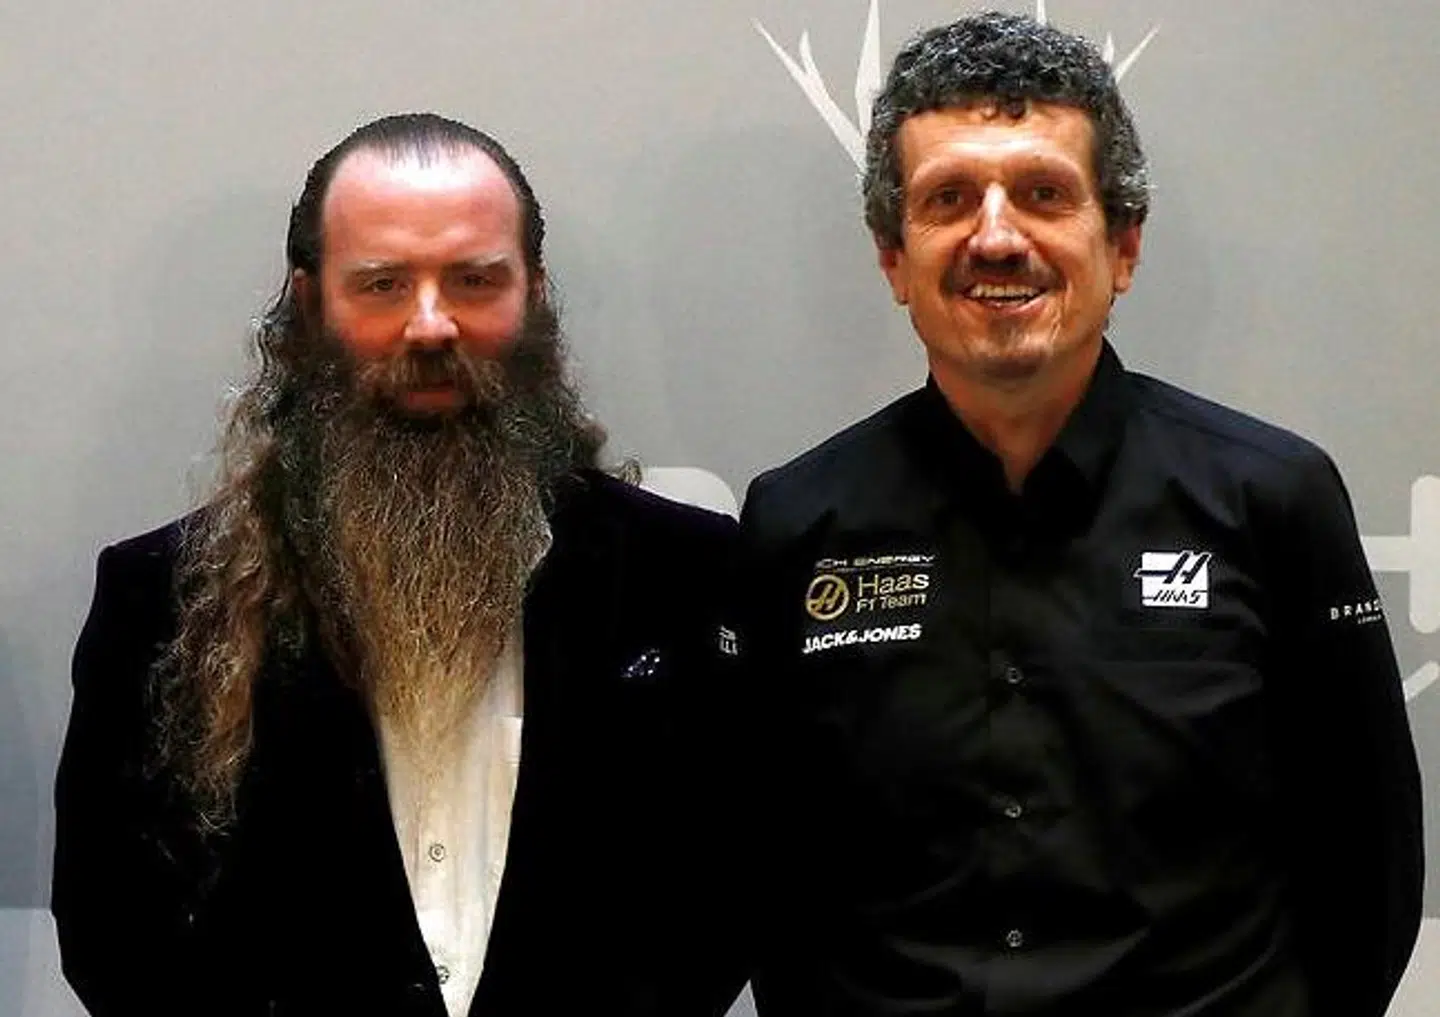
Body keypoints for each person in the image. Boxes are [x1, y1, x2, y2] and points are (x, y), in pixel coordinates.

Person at [737, 12, 1423, 1017]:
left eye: (1044, 194)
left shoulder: (1271, 497)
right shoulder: (799, 522)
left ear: (1124, 244)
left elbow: (1367, 860)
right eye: (948, 199)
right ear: (893, 260)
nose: (996, 237)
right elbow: (767, 870)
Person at [52, 113, 744, 1017]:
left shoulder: (687, 577)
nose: (430, 324)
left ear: (534, 296)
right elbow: (113, 931)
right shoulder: (162, 601)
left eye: (474, 279)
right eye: (382, 284)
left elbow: (730, 893)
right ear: (311, 306)